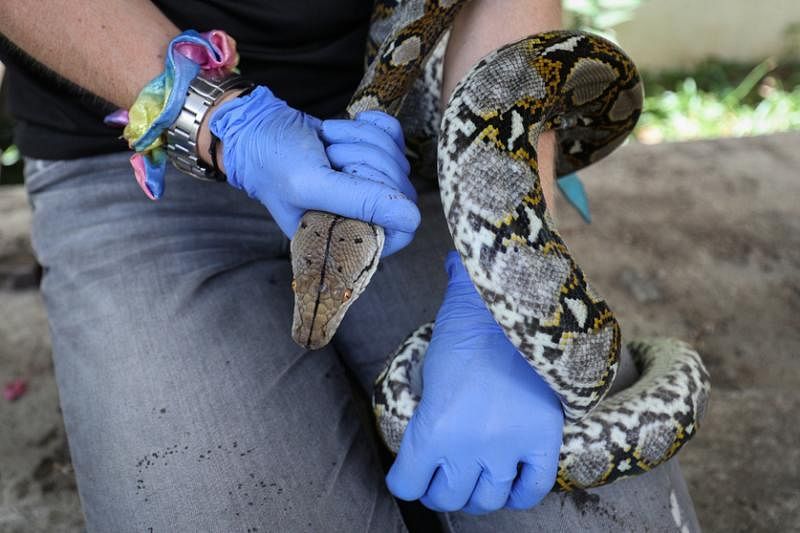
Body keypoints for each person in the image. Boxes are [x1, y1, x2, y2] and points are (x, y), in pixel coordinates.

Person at [0, 1, 700, 531]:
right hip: (129, 136)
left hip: (409, 147)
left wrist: (499, 287)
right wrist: (216, 120)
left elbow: (516, 61)